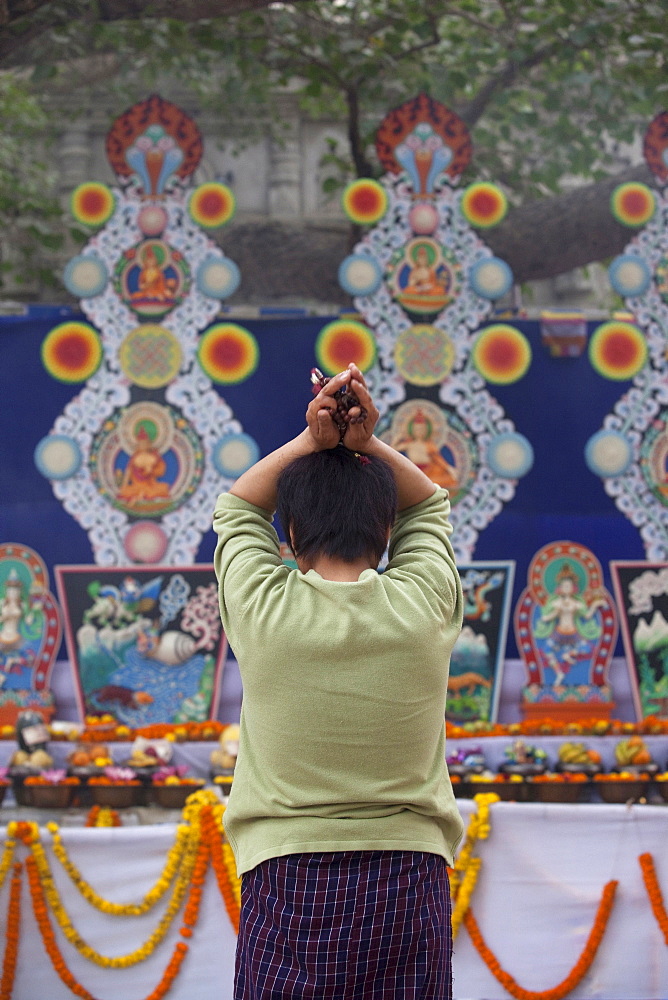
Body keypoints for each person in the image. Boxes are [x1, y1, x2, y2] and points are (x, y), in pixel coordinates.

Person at [213, 362, 464, 1000]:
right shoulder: (422, 608)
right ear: (385, 534)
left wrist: (311, 441)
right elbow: (430, 503)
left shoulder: (265, 609)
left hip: (285, 871)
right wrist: (367, 444)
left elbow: (238, 506)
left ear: (290, 535)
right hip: (410, 875)